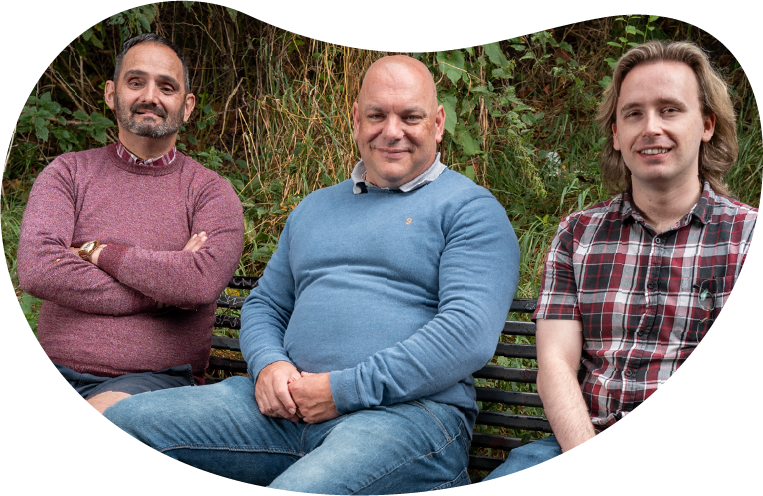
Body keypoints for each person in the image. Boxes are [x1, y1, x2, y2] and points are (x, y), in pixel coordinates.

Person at [104, 55, 519, 494]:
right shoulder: (315, 208)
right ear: (357, 121)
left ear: (437, 123)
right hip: (281, 412)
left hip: (407, 419)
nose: (392, 131)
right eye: (377, 115)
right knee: (122, 425)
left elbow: (466, 333)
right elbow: (266, 304)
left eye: (410, 117)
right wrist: (268, 365)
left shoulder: (470, 210)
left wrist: (341, 391)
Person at [484, 40, 757, 481]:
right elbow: (555, 364)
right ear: (616, 133)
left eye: (670, 110)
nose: (651, 128)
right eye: (633, 113)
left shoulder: (748, 239)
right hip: (578, 445)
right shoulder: (579, 234)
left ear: (706, 125)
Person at [17, 33, 244, 415]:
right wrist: (161, 289)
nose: (150, 96)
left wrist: (97, 252)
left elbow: (199, 281)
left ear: (187, 106)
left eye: (166, 87)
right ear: (111, 93)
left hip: (156, 381)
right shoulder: (67, 173)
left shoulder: (211, 193)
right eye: (136, 82)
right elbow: (39, 269)